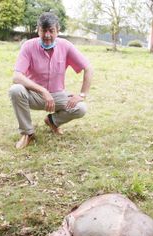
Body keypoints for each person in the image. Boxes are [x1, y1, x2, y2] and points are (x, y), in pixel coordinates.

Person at [9, 12, 93, 149]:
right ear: (38, 30)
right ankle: (27, 133)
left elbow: (88, 68)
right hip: (34, 95)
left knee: (81, 108)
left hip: (57, 96)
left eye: (51, 31)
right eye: (43, 31)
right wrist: (42, 91)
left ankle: (52, 121)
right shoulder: (28, 46)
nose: (47, 35)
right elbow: (16, 76)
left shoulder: (65, 46)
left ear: (58, 31)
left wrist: (82, 94)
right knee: (15, 90)